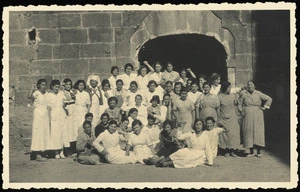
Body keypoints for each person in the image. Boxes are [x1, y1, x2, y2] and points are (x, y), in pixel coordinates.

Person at [239, 80, 272, 157]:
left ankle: (258, 152)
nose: (250, 86)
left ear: (254, 86)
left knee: (258, 132)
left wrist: (264, 107)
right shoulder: (244, 94)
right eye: (248, 85)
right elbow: (239, 104)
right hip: (247, 114)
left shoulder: (258, 93)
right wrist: (241, 111)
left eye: (251, 85)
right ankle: (251, 152)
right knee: (248, 131)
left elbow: (269, 99)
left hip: (258, 114)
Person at [27, 79, 50, 161]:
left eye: (45, 85)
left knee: (44, 132)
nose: (44, 86)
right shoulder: (36, 93)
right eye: (42, 85)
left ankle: (42, 151)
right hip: (38, 114)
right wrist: (32, 88)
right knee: (38, 133)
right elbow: (29, 97)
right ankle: (36, 153)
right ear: (39, 85)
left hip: (45, 114)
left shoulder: (47, 94)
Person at [47, 80, 69, 159]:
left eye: (58, 87)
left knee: (62, 133)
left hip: (61, 114)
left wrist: (63, 90)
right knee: (55, 134)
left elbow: (69, 98)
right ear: (52, 86)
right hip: (54, 115)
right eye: (55, 87)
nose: (57, 88)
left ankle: (62, 152)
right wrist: (49, 119)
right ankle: (56, 152)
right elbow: (48, 108)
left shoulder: (61, 93)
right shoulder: (49, 95)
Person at [218, 81, 241, 157]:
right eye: (228, 88)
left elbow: (236, 104)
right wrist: (219, 119)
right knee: (225, 134)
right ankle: (226, 150)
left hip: (232, 117)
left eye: (230, 88)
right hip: (223, 116)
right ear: (225, 88)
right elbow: (218, 108)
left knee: (233, 134)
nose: (230, 89)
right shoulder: (219, 96)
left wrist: (238, 99)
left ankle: (232, 150)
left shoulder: (233, 96)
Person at [62, 78, 77, 155]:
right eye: (66, 84)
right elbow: (67, 100)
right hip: (67, 111)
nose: (68, 86)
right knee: (67, 130)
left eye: (69, 84)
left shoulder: (72, 92)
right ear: (64, 85)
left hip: (73, 111)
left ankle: (72, 148)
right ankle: (66, 150)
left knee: (72, 131)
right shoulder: (62, 92)